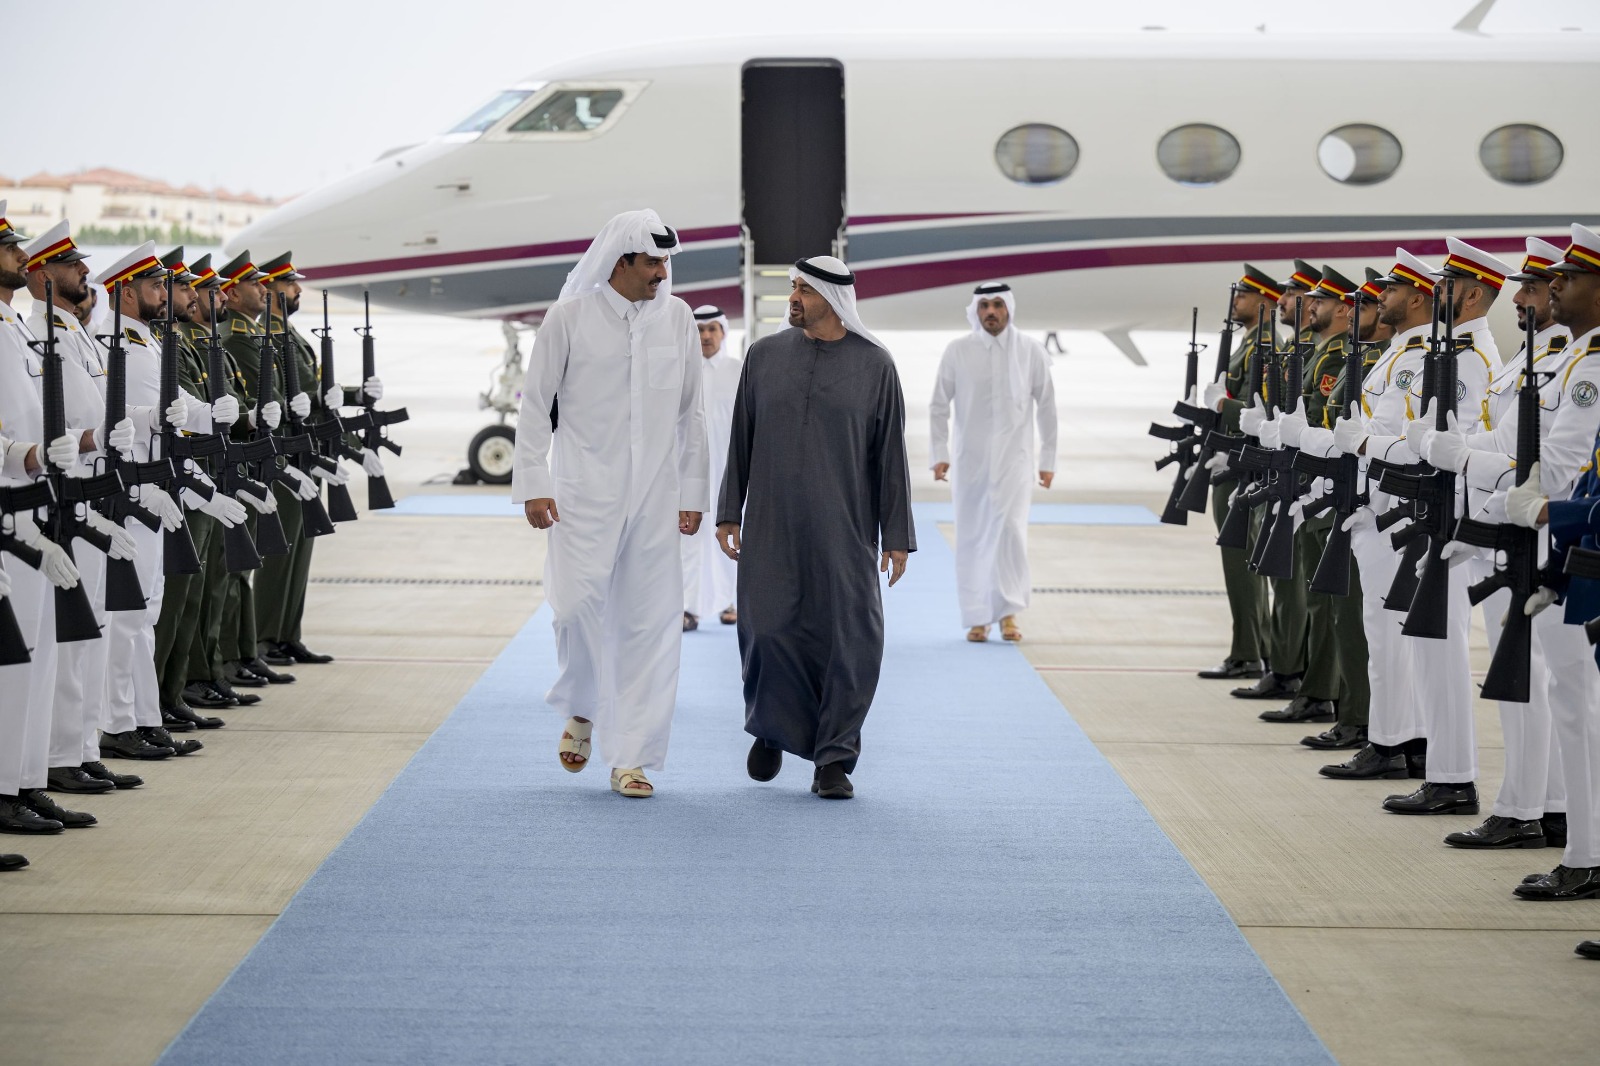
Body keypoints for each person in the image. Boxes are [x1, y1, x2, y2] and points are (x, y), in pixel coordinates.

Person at [511, 209, 708, 799]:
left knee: (649, 624)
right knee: (574, 609)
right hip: (580, 493)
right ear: (620, 261)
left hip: (655, 497)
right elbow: (534, 403)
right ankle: (583, 703)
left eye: (666, 262)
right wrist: (534, 481)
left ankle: (631, 758)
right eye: (652, 262)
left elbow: (692, 414)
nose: (662, 273)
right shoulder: (569, 318)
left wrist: (693, 491)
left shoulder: (677, 319)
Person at [717, 255, 915, 800]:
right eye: (793, 287)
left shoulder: (875, 366)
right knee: (767, 631)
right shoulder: (764, 356)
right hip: (771, 524)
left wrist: (896, 535)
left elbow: (891, 457)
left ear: (833, 299)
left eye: (804, 290)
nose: (793, 297)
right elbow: (740, 438)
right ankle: (770, 729)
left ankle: (833, 759)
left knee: (849, 642)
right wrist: (730, 509)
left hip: (844, 528)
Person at [928, 281, 1057, 642]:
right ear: (976, 311)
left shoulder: (1030, 351)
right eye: (984, 306)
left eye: (997, 305)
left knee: (1010, 534)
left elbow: (1047, 406)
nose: (991, 312)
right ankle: (978, 617)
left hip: (1016, 463)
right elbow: (938, 405)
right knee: (973, 536)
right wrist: (939, 454)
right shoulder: (958, 351)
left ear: (1009, 309)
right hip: (970, 463)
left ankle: (1008, 614)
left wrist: (1048, 459)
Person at [1197, 265, 1279, 681]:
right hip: (1232, 460)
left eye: (1244, 295)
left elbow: (1255, 412)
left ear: (1265, 300)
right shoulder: (1248, 343)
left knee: (1242, 565)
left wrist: (1220, 407)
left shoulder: (1263, 346)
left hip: (1241, 467)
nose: (1236, 301)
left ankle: (1249, 652)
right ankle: (1251, 649)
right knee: (1240, 565)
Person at [680, 305, 741, 631]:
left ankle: (730, 601)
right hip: (688, 469)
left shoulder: (738, 370)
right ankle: (688, 607)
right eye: (700, 330)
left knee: (729, 531)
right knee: (689, 537)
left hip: (728, 468)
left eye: (711, 329)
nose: (705, 336)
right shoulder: (681, 370)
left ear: (723, 332)